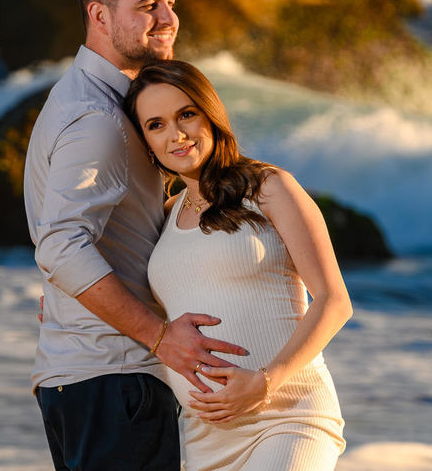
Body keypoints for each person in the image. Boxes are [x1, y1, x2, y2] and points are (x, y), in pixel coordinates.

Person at [24, 0, 247, 471]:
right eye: (148, 6)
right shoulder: (96, 118)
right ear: (99, 15)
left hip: (95, 379)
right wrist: (160, 336)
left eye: (170, 2)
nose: (169, 18)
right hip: (116, 379)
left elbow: (84, 228)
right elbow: (59, 242)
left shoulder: (81, 97)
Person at [124, 59, 352, 471]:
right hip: (204, 438)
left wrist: (265, 382)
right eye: (155, 125)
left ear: (210, 113)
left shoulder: (269, 187)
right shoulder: (167, 215)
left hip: (288, 416)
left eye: (186, 115)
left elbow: (335, 302)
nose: (176, 135)